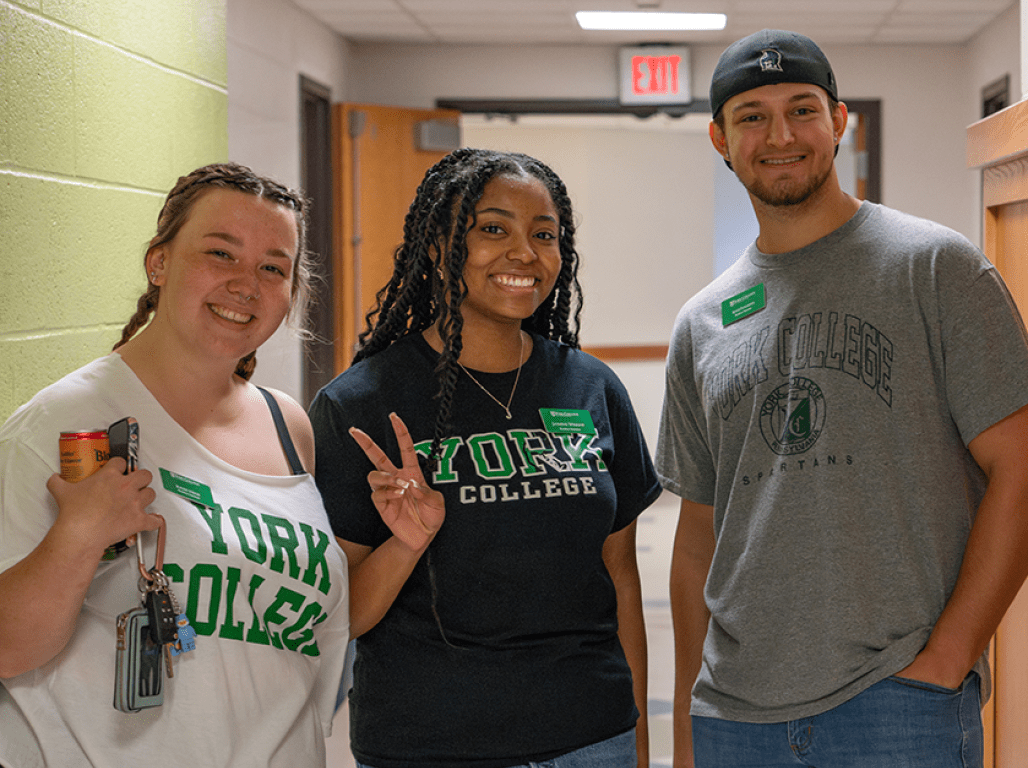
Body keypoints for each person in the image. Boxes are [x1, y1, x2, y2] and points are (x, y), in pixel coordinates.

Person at [656, 28, 1028, 768]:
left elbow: (1019, 468)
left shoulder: (936, 268)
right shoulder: (700, 323)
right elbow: (699, 535)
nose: (781, 134)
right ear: (719, 139)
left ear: (839, 121)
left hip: (897, 701)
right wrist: (689, 723)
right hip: (735, 715)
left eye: (802, 109)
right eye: (752, 116)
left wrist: (949, 659)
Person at [309, 147, 662, 768]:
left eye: (544, 235)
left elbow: (620, 575)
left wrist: (636, 733)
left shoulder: (592, 389)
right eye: (492, 229)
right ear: (441, 244)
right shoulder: (362, 403)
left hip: (590, 736)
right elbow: (345, 617)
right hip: (431, 745)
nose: (524, 253)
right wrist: (406, 543)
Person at [0, 163, 350, 767]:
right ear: (158, 263)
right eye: (221, 253)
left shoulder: (287, 425)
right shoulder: (64, 426)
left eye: (274, 267)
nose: (248, 284)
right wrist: (77, 537)